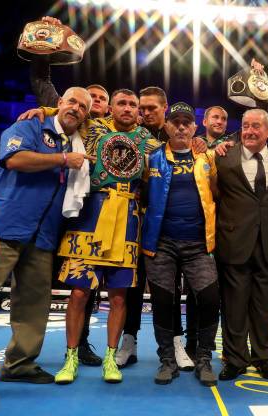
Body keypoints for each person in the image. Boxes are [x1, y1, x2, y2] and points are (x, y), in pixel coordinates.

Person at [0, 87, 92, 396]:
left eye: (83, 106)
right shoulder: (30, 125)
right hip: (1, 226)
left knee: (34, 304)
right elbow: (14, 159)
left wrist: (67, 156)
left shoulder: (77, 143)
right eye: (72, 101)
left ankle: (20, 364)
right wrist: (63, 159)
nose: (76, 108)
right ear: (59, 104)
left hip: (43, 235)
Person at [47, 89, 161, 384]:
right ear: (111, 106)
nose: (127, 108)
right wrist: (42, 111)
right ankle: (70, 357)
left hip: (127, 217)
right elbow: (64, 115)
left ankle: (111, 358)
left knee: (120, 295)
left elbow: (175, 153)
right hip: (90, 214)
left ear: (138, 111)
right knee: (79, 292)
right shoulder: (92, 127)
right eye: (121, 103)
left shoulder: (149, 141)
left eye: (132, 104)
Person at [27, 15, 110, 367]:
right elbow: (41, 81)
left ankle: (84, 344)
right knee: (46, 282)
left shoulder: (117, 128)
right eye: (85, 97)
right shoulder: (66, 114)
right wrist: (48, 40)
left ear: (103, 107)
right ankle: (27, 351)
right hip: (59, 208)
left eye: (98, 99)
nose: (89, 103)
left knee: (87, 286)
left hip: (97, 213)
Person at [116, 86, 197, 371]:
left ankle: (176, 342)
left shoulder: (180, 139)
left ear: (165, 109)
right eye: (143, 107)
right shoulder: (127, 134)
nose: (145, 112)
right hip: (127, 222)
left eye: (152, 108)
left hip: (164, 229)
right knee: (132, 283)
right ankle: (129, 341)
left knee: (170, 287)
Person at [141, 102, 219, 386]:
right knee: (162, 302)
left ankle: (204, 358)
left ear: (195, 128)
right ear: (166, 126)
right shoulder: (152, 158)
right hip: (161, 244)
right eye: (176, 122)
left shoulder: (208, 158)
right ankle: (167, 360)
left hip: (199, 244)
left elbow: (219, 193)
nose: (182, 126)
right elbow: (142, 196)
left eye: (187, 122)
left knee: (210, 299)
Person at [216, 109, 268, 381]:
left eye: (256, 126)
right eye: (245, 126)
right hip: (234, 241)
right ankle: (234, 359)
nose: (250, 131)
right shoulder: (223, 156)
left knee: (263, 306)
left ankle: (263, 358)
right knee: (233, 306)